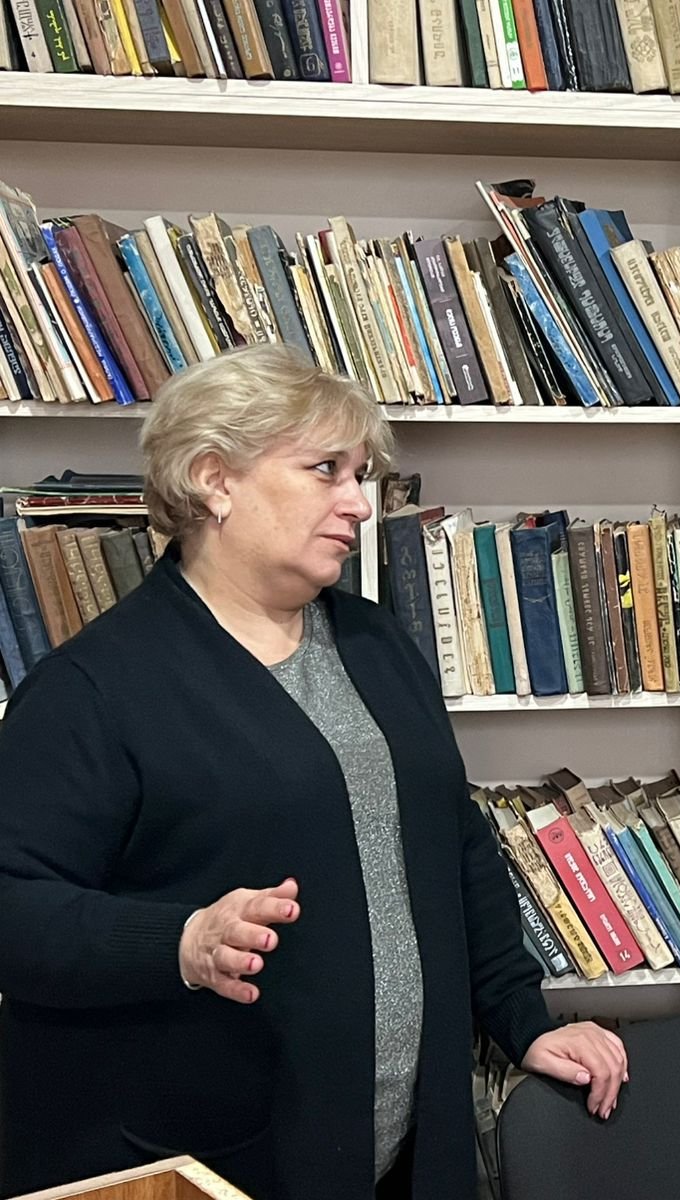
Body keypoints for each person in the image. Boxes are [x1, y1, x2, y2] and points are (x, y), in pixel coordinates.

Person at [0, 344, 627, 1200]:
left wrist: (523, 1019)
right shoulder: (92, 690)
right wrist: (181, 943)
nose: (358, 502)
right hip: (209, 1160)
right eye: (326, 469)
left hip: (404, 1150)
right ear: (214, 480)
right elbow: (15, 908)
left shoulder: (379, 645)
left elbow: (457, 850)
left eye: (360, 474)